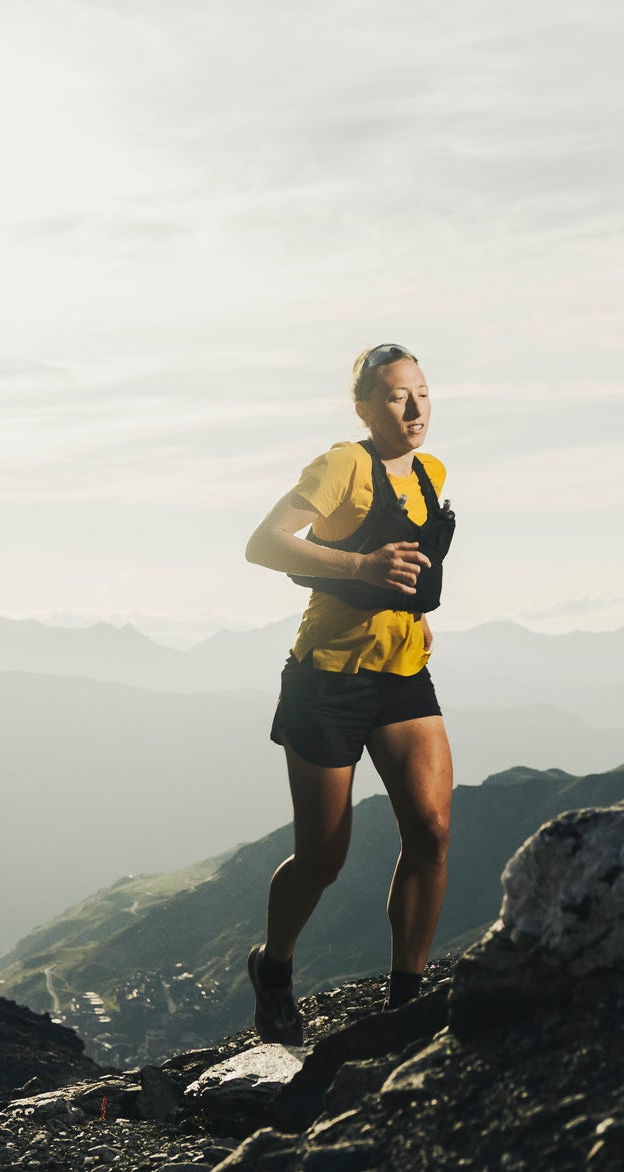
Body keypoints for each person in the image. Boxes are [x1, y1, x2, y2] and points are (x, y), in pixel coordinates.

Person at [240, 342, 455, 1043]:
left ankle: (405, 1005)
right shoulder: (342, 465)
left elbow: (411, 567)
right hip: (326, 681)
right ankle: (273, 968)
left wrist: (413, 619)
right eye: (398, 394)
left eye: (423, 390)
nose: (416, 407)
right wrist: (361, 563)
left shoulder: (432, 475)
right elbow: (264, 544)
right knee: (323, 858)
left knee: (430, 830)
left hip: (401, 677)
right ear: (365, 406)